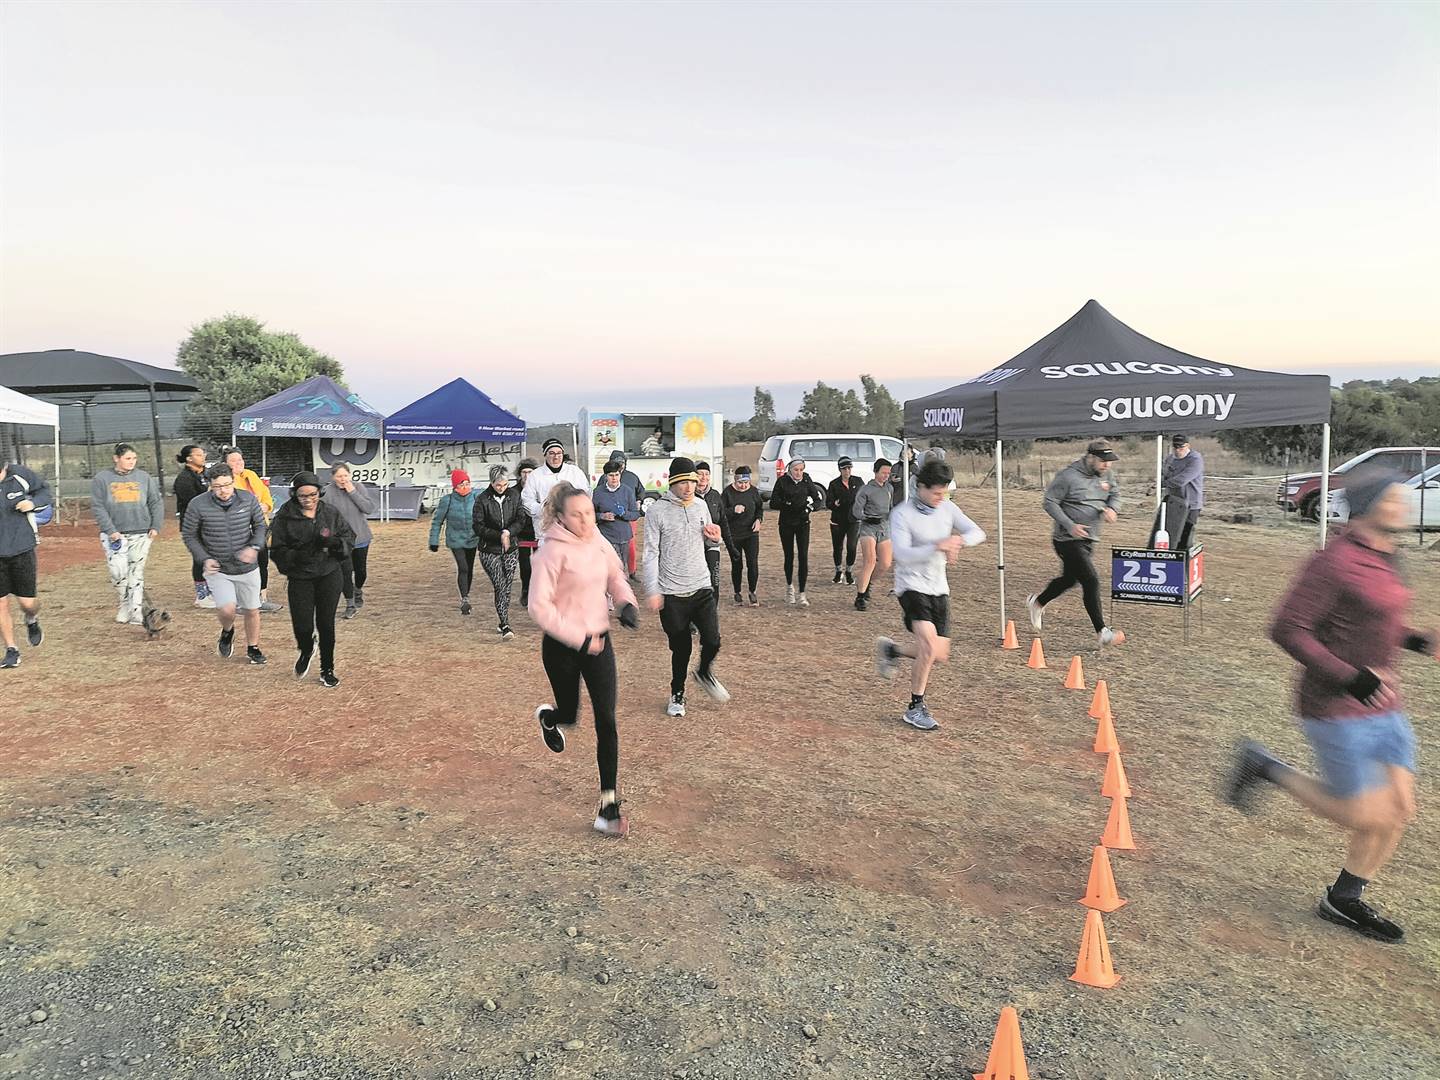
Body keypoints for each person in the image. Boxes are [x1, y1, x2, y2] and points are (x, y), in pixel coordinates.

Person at [1226, 470, 1438, 943]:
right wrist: (1350, 677)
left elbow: (1374, 621)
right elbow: (1287, 629)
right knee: (1365, 814)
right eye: (1395, 499)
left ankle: (1344, 898)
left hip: (1386, 704)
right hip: (1336, 705)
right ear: (1369, 506)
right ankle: (1265, 767)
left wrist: (1416, 641)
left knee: (1400, 809)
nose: (1404, 506)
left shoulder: (1387, 556)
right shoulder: (1334, 561)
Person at [528, 481, 642, 837]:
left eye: (589, 512)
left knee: (606, 721)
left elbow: (614, 575)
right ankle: (550, 719)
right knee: (570, 714)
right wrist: (579, 639)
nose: (585, 520)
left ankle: (608, 807)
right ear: (560, 517)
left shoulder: (597, 541)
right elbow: (538, 607)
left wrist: (625, 602)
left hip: (600, 643)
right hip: (562, 647)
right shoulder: (550, 551)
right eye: (576, 515)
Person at [874, 459, 986, 728]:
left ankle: (892, 650)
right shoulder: (902, 514)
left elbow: (978, 532)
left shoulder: (947, 507)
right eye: (936, 493)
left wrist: (958, 541)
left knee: (939, 653)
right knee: (927, 645)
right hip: (911, 586)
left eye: (944, 493)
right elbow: (903, 555)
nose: (940, 498)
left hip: (939, 587)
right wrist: (938, 546)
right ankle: (915, 708)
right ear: (920, 487)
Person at [642, 457, 728, 717]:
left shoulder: (701, 506)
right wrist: (653, 590)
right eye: (683, 483)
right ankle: (677, 693)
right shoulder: (657, 511)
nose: (690, 487)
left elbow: (710, 543)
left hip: (701, 586)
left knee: (712, 640)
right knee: (681, 649)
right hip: (672, 593)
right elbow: (650, 554)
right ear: (673, 483)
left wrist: (716, 540)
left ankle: (703, 672)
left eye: (692, 481)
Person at [1028, 438, 1126, 647]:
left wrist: (1112, 508)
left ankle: (1037, 603)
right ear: (1090, 458)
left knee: (1069, 580)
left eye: (1109, 461)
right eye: (1103, 461)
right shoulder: (1068, 476)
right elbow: (1049, 502)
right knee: (1091, 580)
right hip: (1066, 539)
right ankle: (1102, 632)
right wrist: (1070, 525)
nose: (1107, 465)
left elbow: (1115, 494)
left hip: (1089, 538)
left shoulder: (1106, 473)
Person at [270, 471, 354, 688]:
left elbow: (349, 537)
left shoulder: (330, 512)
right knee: (302, 624)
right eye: (302, 496)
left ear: (320, 492)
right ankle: (307, 648)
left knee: (326, 623)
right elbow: (276, 550)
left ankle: (327, 668)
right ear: (294, 494)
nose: (308, 499)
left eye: (313, 495)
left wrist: (335, 543)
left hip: (329, 573)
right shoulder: (284, 517)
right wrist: (297, 556)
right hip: (300, 577)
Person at [181, 463, 268, 665]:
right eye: (218, 486)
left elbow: (260, 526)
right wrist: (204, 558)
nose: (223, 490)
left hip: (247, 567)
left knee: (251, 609)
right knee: (227, 609)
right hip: (218, 568)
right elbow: (189, 535)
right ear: (210, 485)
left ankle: (253, 647)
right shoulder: (197, 504)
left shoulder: (247, 499)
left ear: (233, 481)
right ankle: (227, 631)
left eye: (227, 485)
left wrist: (254, 547)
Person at [91, 443, 165, 627]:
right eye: (127, 458)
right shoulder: (102, 479)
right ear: (116, 458)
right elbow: (98, 506)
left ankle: (136, 611)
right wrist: (111, 530)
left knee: (136, 572)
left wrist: (155, 525)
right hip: (114, 535)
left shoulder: (144, 477)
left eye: (134, 458)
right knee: (118, 572)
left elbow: (155, 501)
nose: (131, 462)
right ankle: (124, 602)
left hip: (140, 532)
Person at [0, 461, 50, 669]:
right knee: (1, 603)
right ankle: (12, 650)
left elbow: (44, 493)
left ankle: (31, 618)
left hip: (22, 548)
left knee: (27, 603)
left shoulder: (20, 475)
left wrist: (32, 503)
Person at [222, 447, 283, 613]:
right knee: (243, 564)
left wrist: (266, 506)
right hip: (239, 529)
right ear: (226, 464)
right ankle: (241, 601)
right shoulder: (225, 482)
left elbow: (265, 494)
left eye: (240, 459)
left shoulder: (251, 475)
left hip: (259, 526)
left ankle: (261, 598)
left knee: (262, 562)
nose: (238, 463)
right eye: (233, 460)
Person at [473, 463, 524, 639]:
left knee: (507, 586)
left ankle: (502, 619)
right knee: (500, 584)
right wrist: (499, 535)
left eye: (504, 484)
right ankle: (505, 624)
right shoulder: (482, 500)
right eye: (498, 485)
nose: (501, 488)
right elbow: (478, 527)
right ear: (491, 483)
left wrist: (508, 532)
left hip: (511, 548)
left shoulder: (514, 496)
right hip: (489, 550)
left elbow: (520, 519)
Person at [769, 457, 826, 607]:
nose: (798, 473)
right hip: (786, 523)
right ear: (790, 470)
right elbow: (773, 502)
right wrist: (787, 504)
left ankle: (802, 593)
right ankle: (789, 588)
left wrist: (810, 508)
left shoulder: (806, 479)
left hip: (803, 522)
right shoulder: (782, 481)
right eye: (796, 470)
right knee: (789, 556)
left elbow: (818, 500)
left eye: (801, 470)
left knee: (803, 556)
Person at [324, 462, 376, 620]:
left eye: (345, 475)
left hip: (360, 537)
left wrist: (352, 492)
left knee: (360, 572)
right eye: (339, 476)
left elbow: (368, 508)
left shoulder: (358, 487)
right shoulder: (327, 492)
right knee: (345, 573)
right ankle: (350, 604)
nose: (343, 479)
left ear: (350, 475)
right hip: (340, 541)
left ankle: (357, 590)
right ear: (333, 477)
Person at [429, 469, 480, 615]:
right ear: (455, 486)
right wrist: (433, 540)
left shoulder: (476, 497)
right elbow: (437, 521)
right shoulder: (447, 500)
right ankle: (464, 598)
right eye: (461, 484)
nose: (465, 487)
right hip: (455, 539)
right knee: (463, 567)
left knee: (469, 568)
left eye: (467, 484)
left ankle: (466, 593)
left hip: (473, 538)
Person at [173, 444, 214, 608]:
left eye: (203, 453)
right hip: (194, 525)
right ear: (189, 459)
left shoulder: (206, 474)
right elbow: (192, 503)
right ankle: (202, 596)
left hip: (210, 524)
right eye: (198, 454)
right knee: (200, 558)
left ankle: (212, 591)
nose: (203, 456)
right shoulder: (184, 479)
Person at [522, 439, 589, 536]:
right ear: (545, 455)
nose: (556, 457)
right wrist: (545, 510)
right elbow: (527, 501)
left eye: (559, 453)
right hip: (546, 531)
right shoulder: (535, 475)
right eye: (552, 453)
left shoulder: (575, 472)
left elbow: (586, 495)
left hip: (573, 529)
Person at [852, 458, 895, 611]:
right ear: (875, 471)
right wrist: (867, 518)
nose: (886, 476)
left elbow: (890, 507)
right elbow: (856, 511)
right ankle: (860, 596)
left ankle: (867, 582)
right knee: (869, 561)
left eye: (888, 473)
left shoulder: (889, 488)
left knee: (885, 563)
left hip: (884, 527)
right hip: (868, 528)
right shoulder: (865, 490)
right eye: (883, 472)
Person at [1151, 434, 1204, 550]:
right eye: (1175, 447)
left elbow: (1181, 480)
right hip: (1173, 502)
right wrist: (1157, 484)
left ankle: (1184, 558)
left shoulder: (1195, 459)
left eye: (1181, 447)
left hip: (1190, 504)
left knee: (1185, 536)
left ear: (1188, 446)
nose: (1178, 450)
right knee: (1170, 534)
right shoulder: (1170, 459)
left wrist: (1162, 484)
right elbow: (1163, 474)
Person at [721, 465, 764, 606]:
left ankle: (753, 591)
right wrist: (733, 510)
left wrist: (758, 520)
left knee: (752, 563)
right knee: (737, 564)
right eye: (740, 483)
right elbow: (721, 513)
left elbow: (759, 508)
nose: (743, 486)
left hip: (751, 533)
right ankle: (737, 592)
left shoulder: (753, 491)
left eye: (746, 482)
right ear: (735, 480)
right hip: (734, 534)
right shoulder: (727, 493)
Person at [592, 460, 640, 569]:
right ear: (605, 476)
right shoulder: (598, 492)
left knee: (621, 567)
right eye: (611, 475)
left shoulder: (627, 491)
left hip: (624, 537)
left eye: (617, 475)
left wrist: (624, 514)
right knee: (607, 568)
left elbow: (635, 514)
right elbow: (591, 514)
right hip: (606, 537)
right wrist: (602, 516)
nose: (614, 478)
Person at [607, 450, 647, 578]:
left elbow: (641, 491)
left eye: (622, 462)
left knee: (629, 544)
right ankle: (613, 574)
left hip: (629, 517)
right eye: (617, 462)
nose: (620, 465)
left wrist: (639, 500)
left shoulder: (632, 477)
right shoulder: (605, 477)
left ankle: (632, 572)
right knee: (610, 546)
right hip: (611, 519)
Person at [694, 461, 732, 598]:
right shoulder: (689, 496)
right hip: (694, 545)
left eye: (707, 474)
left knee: (714, 578)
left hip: (713, 544)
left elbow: (723, 521)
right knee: (697, 579)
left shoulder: (715, 495)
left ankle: (713, 607)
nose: (704, 477)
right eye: (700, 474)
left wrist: (730, 546)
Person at [827, 456, 863, 585]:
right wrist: (835, 503)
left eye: (849, 468)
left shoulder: (858, 481)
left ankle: (849, 571)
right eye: (844, 468)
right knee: (837, 547)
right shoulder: (834, 484)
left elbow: (863, 496)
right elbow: (828, 503)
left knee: (852, 547)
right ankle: (838, 571)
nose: (847, 471)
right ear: (840, 470)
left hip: (854, 519)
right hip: (838, 520)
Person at [515, 458, 539, 606]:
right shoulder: (513, 491)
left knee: (539, 564)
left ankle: (538, 591)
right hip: (521, 532)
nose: (527, 475)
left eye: (530, 472)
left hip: (538, 531)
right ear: (519, 474)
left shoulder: (540, 488)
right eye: (524, 472)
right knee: (525, 564)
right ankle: (525, 589)